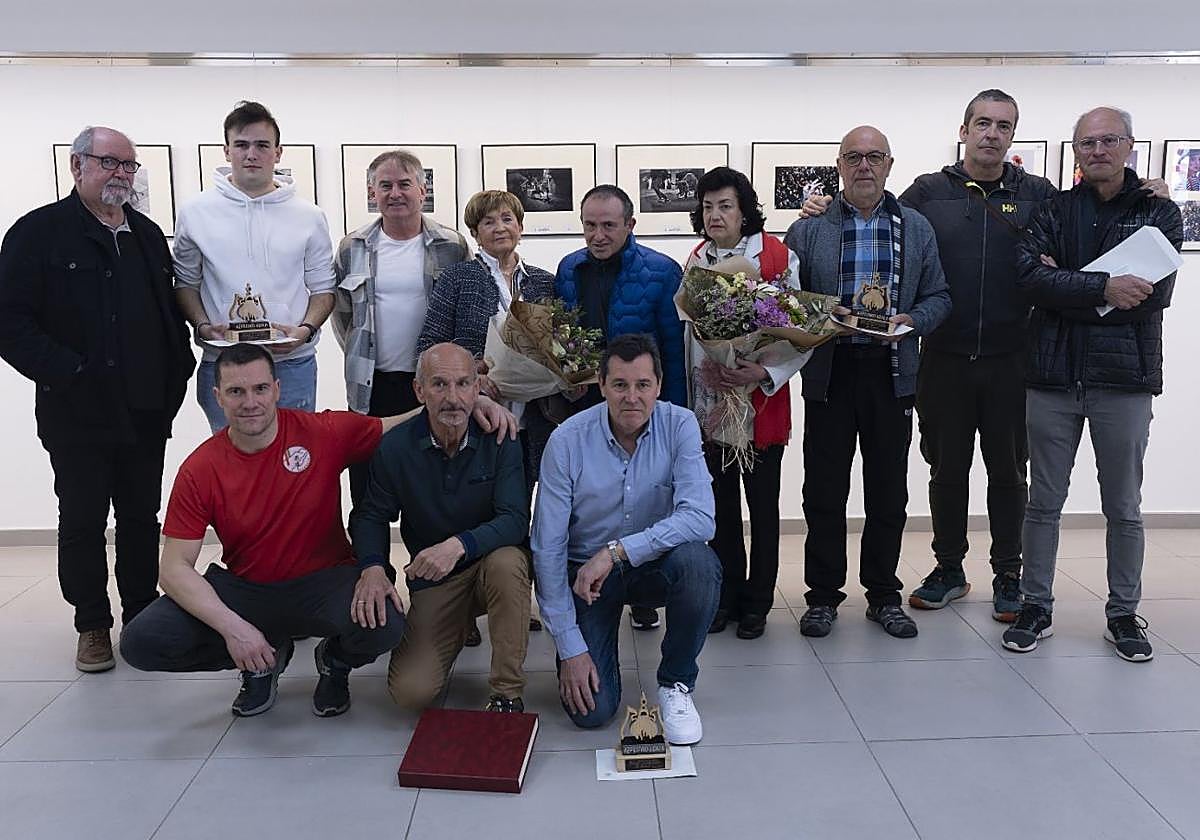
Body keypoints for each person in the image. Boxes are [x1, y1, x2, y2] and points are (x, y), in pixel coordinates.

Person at [119, 343, 517, 717]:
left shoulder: (321, 433)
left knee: (385, 622)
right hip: (247, 590)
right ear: (217, 396)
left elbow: (394, 424)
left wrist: (468, 400)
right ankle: (262, 660)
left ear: (277, 389)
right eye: (237, 392)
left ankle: (335, 662)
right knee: (141, 642)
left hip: (323, 583)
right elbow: (173, 569)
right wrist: (234, 630)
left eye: (260, 388)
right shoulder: (200, 468)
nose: (251, 403)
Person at [0, 126, 195, 673]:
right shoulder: (38, 234)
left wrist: (178, 373)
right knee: (83, 519)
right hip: (76, 412)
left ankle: (141, 614)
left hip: (146, 410)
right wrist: (71, 372)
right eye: (109, 163)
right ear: (76, 165)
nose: (120, 175)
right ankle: (91, 623)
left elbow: (168, 315)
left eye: (129, 166)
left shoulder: (148, 236)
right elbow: (10, 323)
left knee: (141, 516)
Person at [1003, 107, 1182, 662]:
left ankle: (1123, 614)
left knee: (1123, 506)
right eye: (1087, 142)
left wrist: (1070, 287)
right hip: (1052, 379)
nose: (1097, 150)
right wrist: (1105, 286)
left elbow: (1152, 298)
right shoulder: (1054, 209)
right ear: (1075, 151)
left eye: (1109, 140)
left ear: (1130, 145)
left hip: (1124, 381)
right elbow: (1030, 279)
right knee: (1042, 505)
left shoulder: (1159, 213)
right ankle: (1036, 605)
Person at [784, 126, 951, 640]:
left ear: (889, 164)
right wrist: (820, 311)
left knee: (887, 493)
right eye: (853, 157)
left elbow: (939, 297)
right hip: (831, 372)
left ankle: (883, 594)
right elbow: (784, 299)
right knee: (824, 492)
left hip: (891, 373)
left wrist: (911, 323)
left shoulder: (916, 228)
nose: (864, 166)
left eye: (873, 157)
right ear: (838, 165)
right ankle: (822, 598)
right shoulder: (808, 230)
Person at [532, 333, 720, 745]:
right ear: (601, 386)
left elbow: (702, 519)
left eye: (642, 385)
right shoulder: (566, 440)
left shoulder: (680, 424)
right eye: (619, 385)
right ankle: (586, 647)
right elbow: (547, 550)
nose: (631, 397)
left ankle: (676, 683)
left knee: (700, 565)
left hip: (653, 565)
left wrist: (617, 552)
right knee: (592, 712)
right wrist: (570, 649)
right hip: (587, 578)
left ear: (658, 386)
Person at [350, 343, 531, 712]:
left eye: (464, 384)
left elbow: (515, 520)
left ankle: (506, 693)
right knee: (410, 692)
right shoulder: (394, 448)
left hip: (487, 567)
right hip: (435, 581)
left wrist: (457, 546)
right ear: (419, 391)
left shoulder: (501, 437)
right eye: (439, 385)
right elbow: (371, 514)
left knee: (509, 562)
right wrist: (371, 567)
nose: (453, 398)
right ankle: (460, 622)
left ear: (477, 389)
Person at [556, 184, 687, 632]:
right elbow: (562, 340)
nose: (597, 235)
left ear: (631, 225)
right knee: (596, 499)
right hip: (588, 409)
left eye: (608, 225)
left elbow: (672, 350)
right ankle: (590, 581)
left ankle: (643, 590)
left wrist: (672, 417)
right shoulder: (569, 269)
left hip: (640, 408)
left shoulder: (661, 271)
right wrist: (566, 383)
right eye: (589, 225)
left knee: (646, 497)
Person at [332, 149, 470, 574]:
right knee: (369, 493)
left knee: (431, 490)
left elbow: (466, 307)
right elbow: (342, 315)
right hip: (371, 387)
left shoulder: (451, 246)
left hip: (432, 387)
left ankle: (437, 587)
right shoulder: (352, 246)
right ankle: (375, 583)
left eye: (404, 184)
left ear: (423, 191)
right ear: (372, 193)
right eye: (385, 185)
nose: (395, 193)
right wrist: (362, 357)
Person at [683, 167, 804, 640]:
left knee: (763, 506)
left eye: (725, 206)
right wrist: (707, 378)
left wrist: (763, 371)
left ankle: (758, 603)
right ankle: (726, 596)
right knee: (720, 506)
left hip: (760, 401)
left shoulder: (777, 257)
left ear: (744, 210)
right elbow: (695, 334)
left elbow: (799, 332)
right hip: (714, 404)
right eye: (708, 206)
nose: (715, 215)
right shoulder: (696, 260)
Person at [173, 100, 336, 432]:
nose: (251, 154)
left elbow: (324, 289)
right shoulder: (195, 212)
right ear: (226, 150)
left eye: (262, 145)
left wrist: (305, 331)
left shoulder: (310, 216)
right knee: (232, 471)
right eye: (241, 145)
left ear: (277, 153)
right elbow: (185, 284)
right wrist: (204, 327)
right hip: (223, 364)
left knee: (294, 462)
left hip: (291, 366)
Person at [415, 189, 556, 497]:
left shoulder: (545, 281)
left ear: (520, 227)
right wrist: (471, 380)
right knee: (475, 499)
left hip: (534, 416)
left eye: (507, 219)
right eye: (489, 222)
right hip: (477, 411)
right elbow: (428, 346)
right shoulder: (457, 278)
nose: (500, 228)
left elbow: (559, 346)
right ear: (475, 233)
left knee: (525, 498)